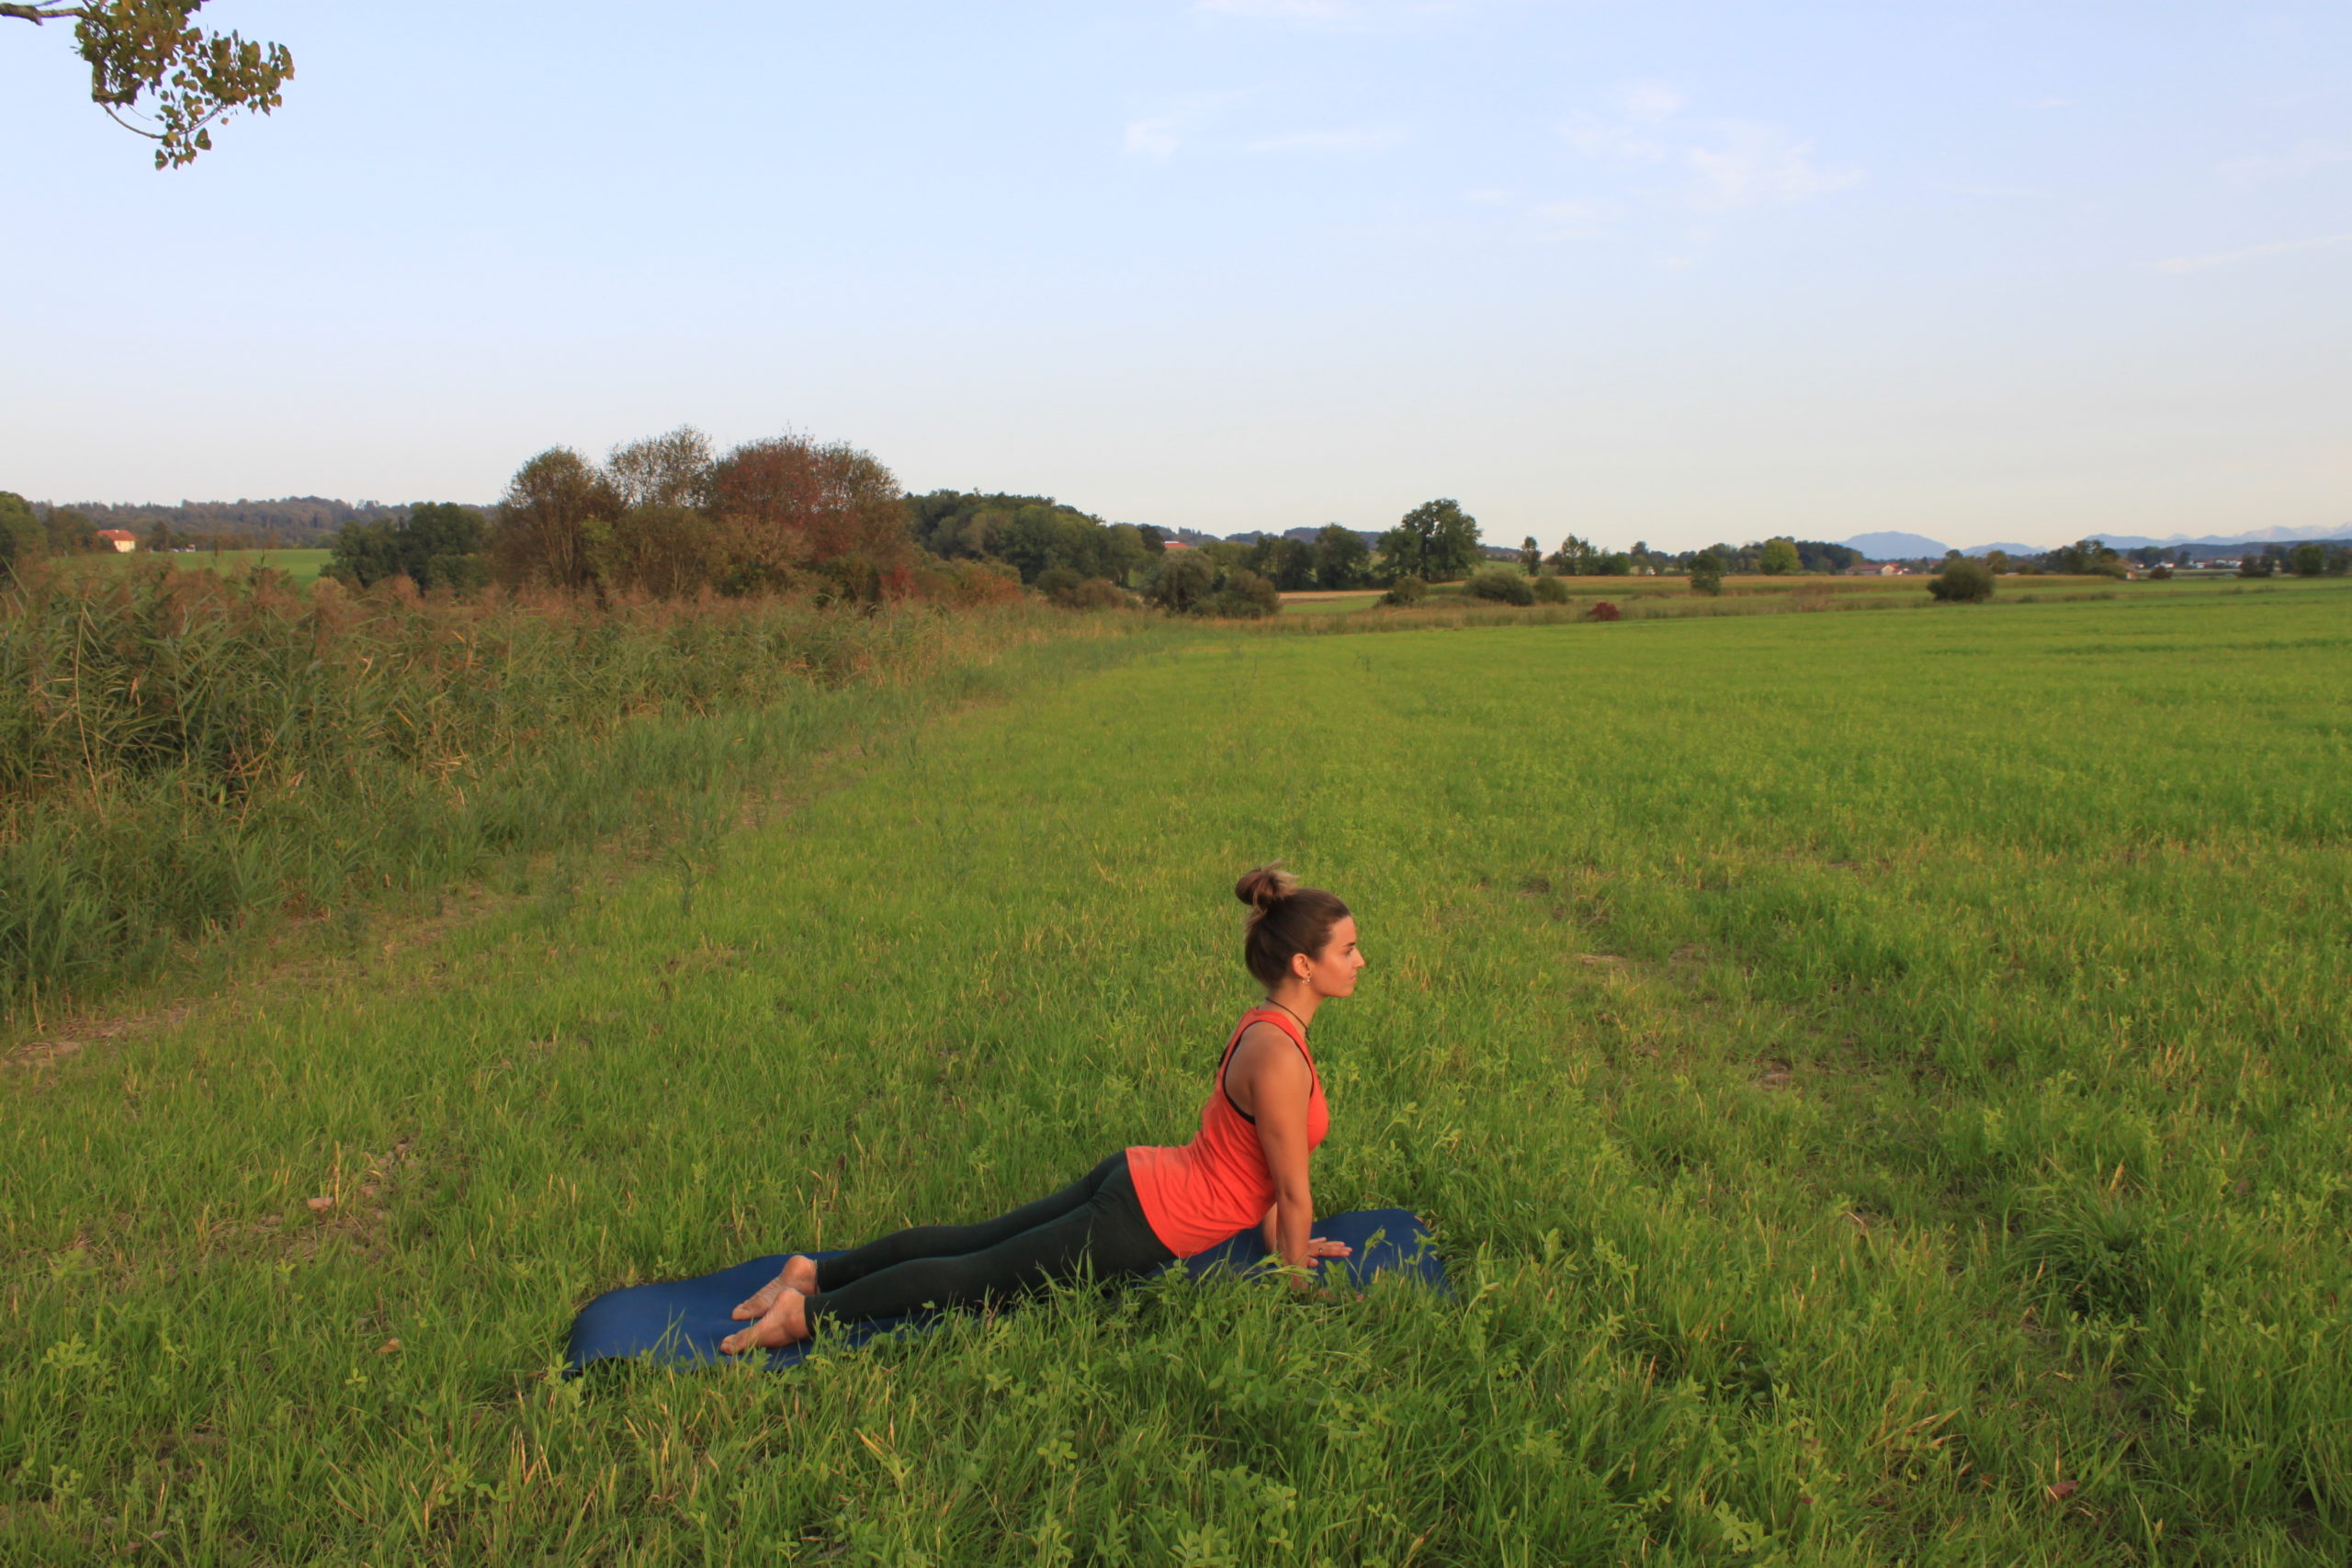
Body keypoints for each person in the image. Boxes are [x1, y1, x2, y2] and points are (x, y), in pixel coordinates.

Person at [719, 865, 1365, 1353]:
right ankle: (804, 1315)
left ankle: (812, 1271)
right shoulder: (1281, 1056)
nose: (1360, 960)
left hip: (1143, 1178)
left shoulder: (1269, 1026)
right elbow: (1289, 1185)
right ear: (1304, 965)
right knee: (977, 1275)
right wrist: (1296, 1283)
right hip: (1149, 1217)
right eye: (1347, 949)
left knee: (978, 1243)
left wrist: (1287, 1238)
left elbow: (1263, 1165)